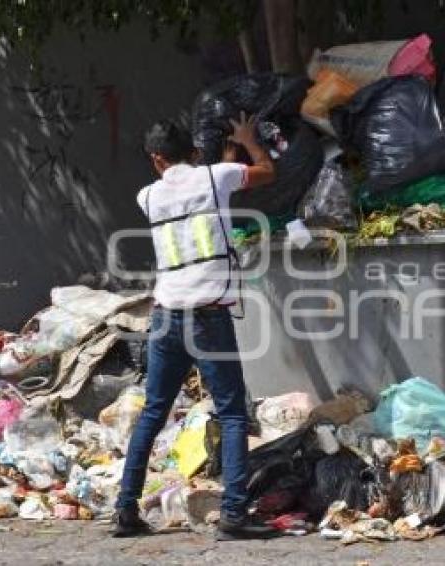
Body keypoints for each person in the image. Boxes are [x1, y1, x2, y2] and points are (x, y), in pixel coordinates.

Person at [113, 113, 276, 540]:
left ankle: (125, 510)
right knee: (233, 414)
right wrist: (247, 141)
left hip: (166, 316)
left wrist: (220, 161)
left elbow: (200, 197)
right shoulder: (215, 177)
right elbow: (266, 173)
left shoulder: (147, 196)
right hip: (208, 316)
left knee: (153, 411)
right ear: (193, 151)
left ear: (155, 160)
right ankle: (234, 514)